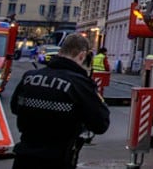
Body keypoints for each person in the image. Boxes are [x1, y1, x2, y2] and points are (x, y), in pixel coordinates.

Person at [10, 33, 110, 169]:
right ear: (82, 55)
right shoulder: (80, 84)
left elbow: (14, 107)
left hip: (24, 156)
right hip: (58, 158)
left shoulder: (30, 77)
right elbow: (100, 124)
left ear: (61, 51)